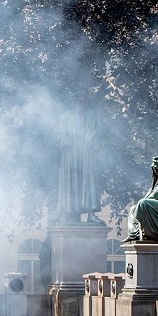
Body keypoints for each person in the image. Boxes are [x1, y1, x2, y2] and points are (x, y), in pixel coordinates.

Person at [55, 91, 103, 224]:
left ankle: (91, 214)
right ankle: (70, 214)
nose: (81, 104)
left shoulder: (91, 116)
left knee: (89, 184)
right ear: (74, 102)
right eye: (78, 101)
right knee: (71, 183)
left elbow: (100, 133)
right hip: (71, 155)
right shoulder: (65, 117)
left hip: (87, 155)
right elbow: (58, 133)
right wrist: (64, 140)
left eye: (83, 101)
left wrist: (96, 142)